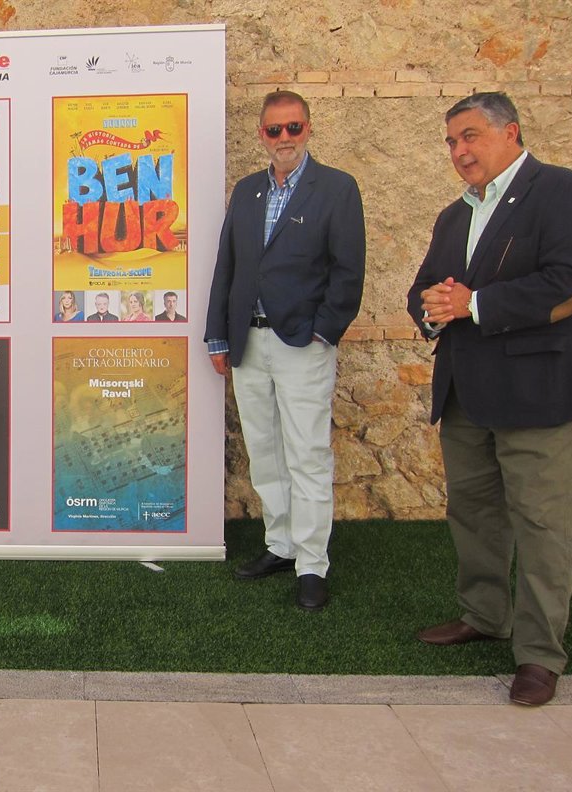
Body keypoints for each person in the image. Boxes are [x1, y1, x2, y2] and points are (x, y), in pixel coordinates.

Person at [408, 92, 572, 706]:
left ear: (511, 131)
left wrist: (473, 304)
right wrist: (431, 308)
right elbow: (426, 287)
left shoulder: (568, 192)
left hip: (541, 393)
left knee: (545, 524)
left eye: (469, 136)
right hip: (466, 394)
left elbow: (571, 282)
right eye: (451, 141)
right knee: (473, 513)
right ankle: (484, 615)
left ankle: (540, 654)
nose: (459, 151)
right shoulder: (454, 215)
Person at [204, 90, 366, 611]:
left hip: (303, 344)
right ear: (262, 135)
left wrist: (324, 332)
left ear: (308, 128)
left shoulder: (337, 188)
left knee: (308, 455)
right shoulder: (248, 190)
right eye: (274, 130)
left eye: (293, 127)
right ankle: (281, 544)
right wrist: (218, 334)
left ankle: (312, 563)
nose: (284, 138)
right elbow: (227, 265)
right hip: (249, 342)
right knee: (265, 451)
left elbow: (348, 272)